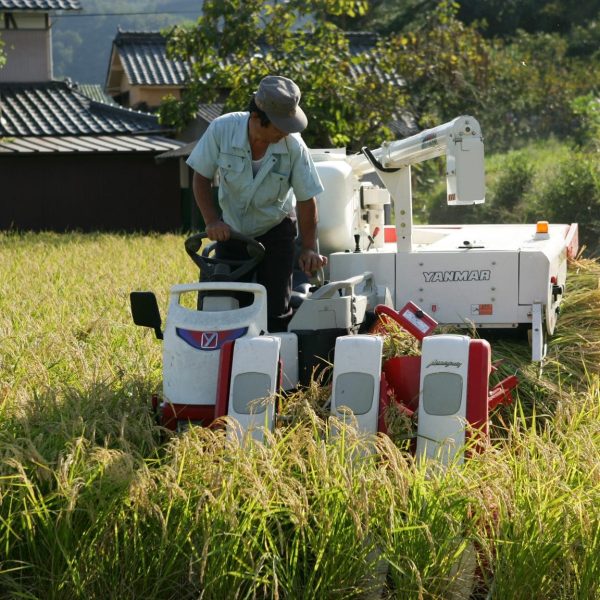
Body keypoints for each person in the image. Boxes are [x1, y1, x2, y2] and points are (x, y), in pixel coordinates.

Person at [186, 75, 327, 331]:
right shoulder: (221, 129)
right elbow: (201, 177)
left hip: (276, 230)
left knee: (275, 311)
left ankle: (275, 363)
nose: (285, 132)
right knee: (225, 307)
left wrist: (308, 247)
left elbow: (307, 200)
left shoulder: (294, 146)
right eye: (279, 126)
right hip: (232, 232)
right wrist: (212, 221)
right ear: (256, 118)